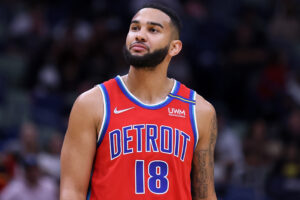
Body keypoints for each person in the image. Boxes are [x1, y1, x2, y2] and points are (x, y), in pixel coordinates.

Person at [60, 3, 218, 200]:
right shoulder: (92, 103)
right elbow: (71, 191)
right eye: (135, 28)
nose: (140, 35)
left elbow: (205, 195)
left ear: (174, 47)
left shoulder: (200, 111)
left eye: (153, 30)